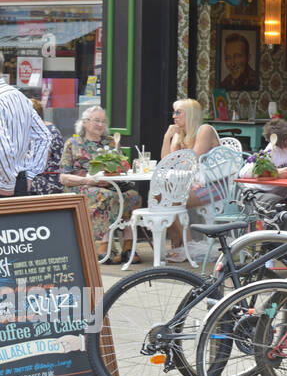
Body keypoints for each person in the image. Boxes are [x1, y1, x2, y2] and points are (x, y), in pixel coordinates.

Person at [58, 106, 143, 259]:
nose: (100, 125)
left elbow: (121, 167)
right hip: (80, 187)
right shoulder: (73, 143)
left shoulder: (110, 143)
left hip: (111, 186)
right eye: (96, 120)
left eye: (103, 121)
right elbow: (63, 177)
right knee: (106, 196)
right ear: (85, 123)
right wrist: (89, 180)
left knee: (133, 196)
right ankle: (103, 245)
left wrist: (113, 174)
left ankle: (128, 246)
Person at [158, 99, 220, 260]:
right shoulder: (182, 135)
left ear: (191, 114)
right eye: (174, 112)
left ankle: (188, 246)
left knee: (170, 198)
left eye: (178, 112)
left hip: (214, 186)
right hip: (192, 185)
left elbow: (190, 162)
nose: (174, 116)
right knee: (159, 197)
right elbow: (166, 162)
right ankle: (179, 243)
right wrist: (168, 138)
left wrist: (177, 154)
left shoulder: (204, 130)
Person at [238, 117, 287, 212]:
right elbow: (243, 172)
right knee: (279, 207)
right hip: (256, 193)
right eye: (286, 146)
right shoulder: (272, 150)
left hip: (283, 194)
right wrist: (275, 172)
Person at [0, 74, 52, 197]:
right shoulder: (20, 97)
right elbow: (44, 136)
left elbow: (3, 149)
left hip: (5, 183)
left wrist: (7, 184)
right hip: (19, 178)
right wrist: (30, 174)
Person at [25, 98, 64, 196]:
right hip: (43, 179)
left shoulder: (47, 133)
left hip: (46, 181)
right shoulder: (42, 130)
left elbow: (39, 164)